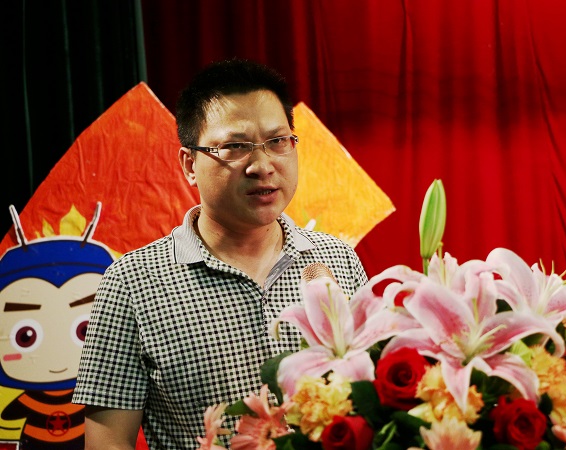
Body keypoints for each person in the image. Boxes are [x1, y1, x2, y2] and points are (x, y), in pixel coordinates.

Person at [73, 58, 368, 449]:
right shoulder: (131, 283)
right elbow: (108, 442)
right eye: (235, 147)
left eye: (278, 141)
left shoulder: (337, 260)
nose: (262, 166)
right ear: (189, 164)